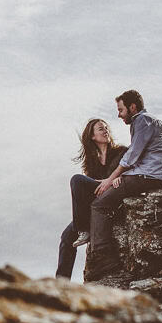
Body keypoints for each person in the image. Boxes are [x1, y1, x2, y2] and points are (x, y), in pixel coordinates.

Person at [88, 89, 162, 278]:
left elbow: (132, 156)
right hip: (161, 174)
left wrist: (112, 179)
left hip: (151, 175)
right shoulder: (150, 121)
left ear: (132, 107)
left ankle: (104, 257)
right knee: (112, 193)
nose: (119, 114)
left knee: (99, 205)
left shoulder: (141, 120)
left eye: (121, 110)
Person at [56, 119, 127, 278]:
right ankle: (61, 284)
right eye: (101, 129)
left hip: (114, 201)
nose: (106, 131)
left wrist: (120, 177)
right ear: (92, 136)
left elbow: (131, 169)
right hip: (95, 203)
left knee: (76, 179)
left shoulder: (121, 152)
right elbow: (89, 190)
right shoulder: (91, 162)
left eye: (107, 128)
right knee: (66, 238)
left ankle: (84, 229)